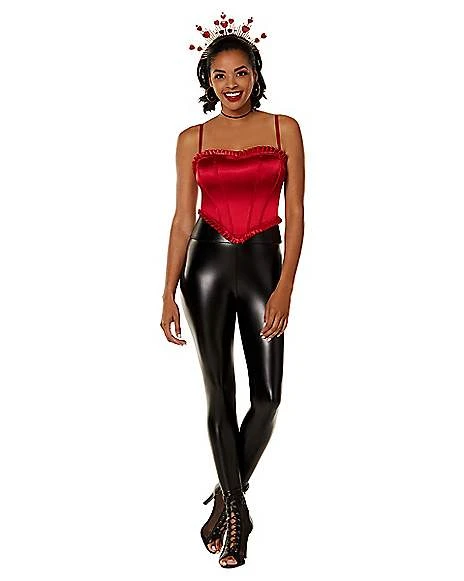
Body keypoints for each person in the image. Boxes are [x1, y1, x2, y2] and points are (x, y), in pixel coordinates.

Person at [161, 13, 305, 568]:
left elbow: (296, 213)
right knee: (220, 393)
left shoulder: (284, 129)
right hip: (207, 267)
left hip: (266, 262)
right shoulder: (192, 139)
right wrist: (167, 292)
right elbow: (182, 219)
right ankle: (238, 519)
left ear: (256, 74)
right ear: (207, 79)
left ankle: (225, 496)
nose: (231, 84)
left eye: (240, 72)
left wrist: (285, 285)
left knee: (267, 398)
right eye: (219, 75)